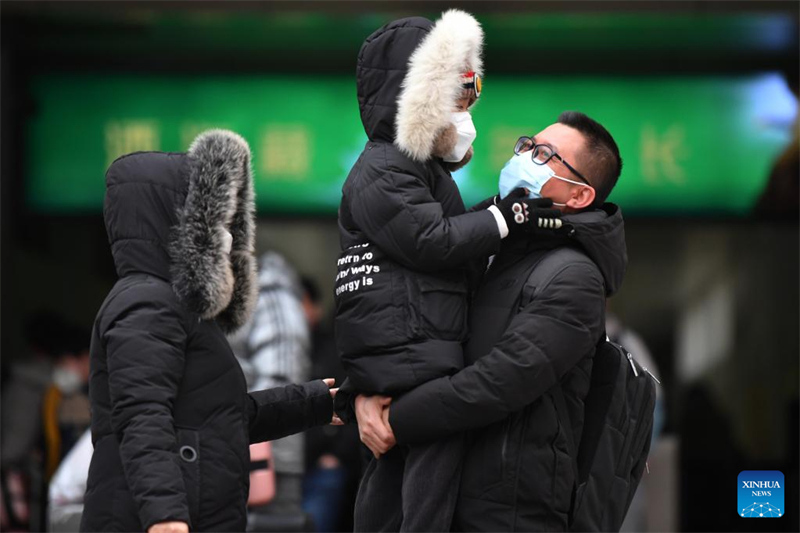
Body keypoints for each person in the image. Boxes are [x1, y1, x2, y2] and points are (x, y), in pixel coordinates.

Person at [334, 10, 563, 532]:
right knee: (425, 486)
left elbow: (450, 230)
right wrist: (504, 217)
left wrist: (500, 214)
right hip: (411, 355)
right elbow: (434, 240)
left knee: (396, 486)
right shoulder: (384, 168)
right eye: (461, 89)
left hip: (413, 351)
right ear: (417, 95)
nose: (469, 104)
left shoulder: (413, 171)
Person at [356, 111, 627, 531]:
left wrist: (396, 419)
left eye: (545, 155)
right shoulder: (486, 244)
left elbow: (498, 382)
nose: (525, 158)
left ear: (579, 197)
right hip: (433, 495)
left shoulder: (575, 277)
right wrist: (365, 395)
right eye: (526, 146)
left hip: (506, 511)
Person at [80, 130, 338, 533]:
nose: (226, 233)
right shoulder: (147, 301)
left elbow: (218, 418)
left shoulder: (177, 308)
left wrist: (316, 403)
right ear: (179, 224)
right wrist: (165, 516)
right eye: (214, 218)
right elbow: (141, 414)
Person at [227, 251, 312, 528]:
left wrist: (247, 439)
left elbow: (282, 375)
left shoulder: (271, 293)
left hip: (266, 457)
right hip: (239, 449)